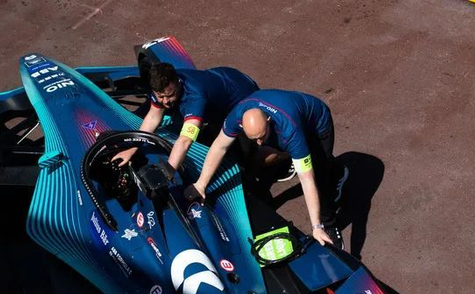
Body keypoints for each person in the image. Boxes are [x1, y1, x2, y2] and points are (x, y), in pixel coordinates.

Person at [184, 89, 349, 249]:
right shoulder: (237, 115)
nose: (259, 142)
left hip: (317, 125)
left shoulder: (290, 130)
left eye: (261, 136)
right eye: (254, 138)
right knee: (260, 156)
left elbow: (307, 180)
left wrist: (316, 226)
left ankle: (329, 223)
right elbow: (219, 147)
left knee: (319, 177)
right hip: (286, 121)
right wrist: (201, 184)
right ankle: (290, 164)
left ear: (268, 120)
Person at [112, 63, 275, 175]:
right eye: (161, 97)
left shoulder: (195, 98)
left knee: (249, 157)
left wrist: (167, 172)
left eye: (170, 95)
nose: (165, 102)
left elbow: (185, 141)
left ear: (178, 83)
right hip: (223, 82)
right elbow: (153, 118)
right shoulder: (162, 87)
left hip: (243, 97)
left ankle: (280, 158)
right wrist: (133, 148)